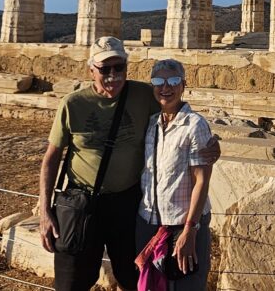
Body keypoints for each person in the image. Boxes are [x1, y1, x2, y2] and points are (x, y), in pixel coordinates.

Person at [38, 37, 218, 291]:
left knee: (135, 279)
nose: (113, 75)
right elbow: (51, 159)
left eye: (119, 67)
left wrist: (211, 143)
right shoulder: (73, 104)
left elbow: (178, 110)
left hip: (127, 205)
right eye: (105, 69)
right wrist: (45, 212)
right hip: (82, 206)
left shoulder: (143, 94)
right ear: (92, 70)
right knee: (71, 283)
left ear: (126, 67)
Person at [134, 59, 213, 291]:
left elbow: (202, 181)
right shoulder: (150, 123)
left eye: (173, 81)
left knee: (186, 286)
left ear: (183, 85)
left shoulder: (195, 125)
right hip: (149, 223)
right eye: (158, 81)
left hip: (183, 226)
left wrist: (190, 230)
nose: (165, 87)